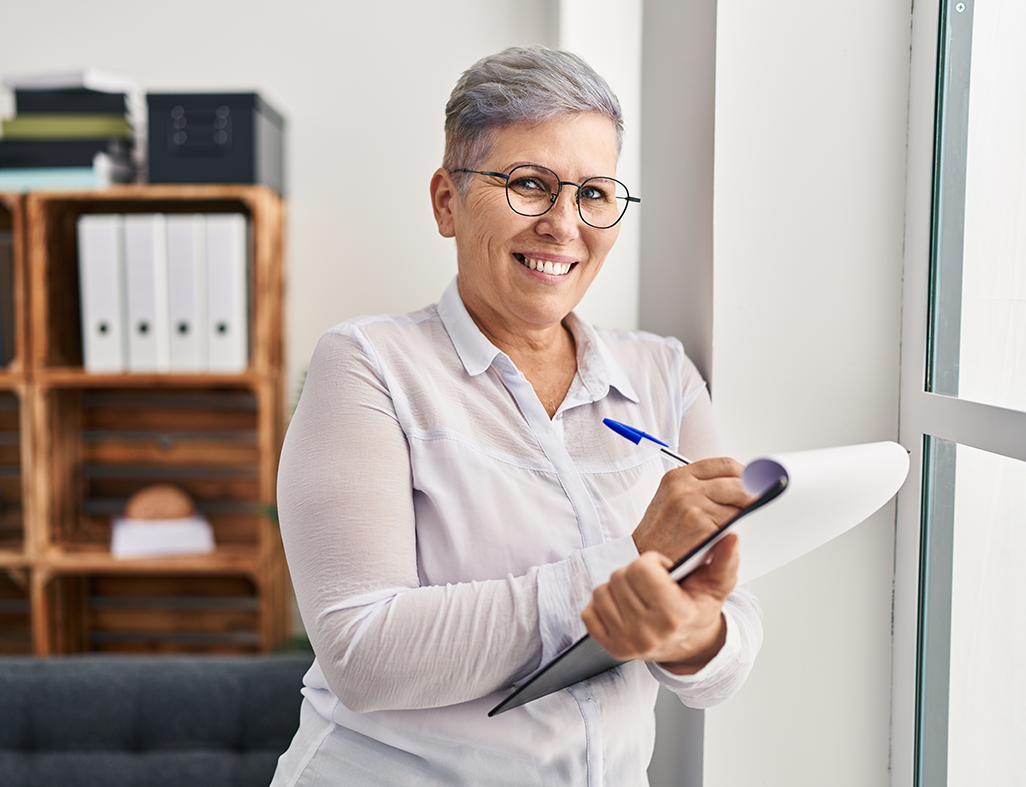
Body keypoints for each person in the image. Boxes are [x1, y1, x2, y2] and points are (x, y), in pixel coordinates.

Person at [271, 46, 762, 787]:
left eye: (593, 194)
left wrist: (689, 632)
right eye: (529, 185)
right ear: (446, 200)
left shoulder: (663, 374)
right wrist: (617, 577)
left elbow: (728, 634)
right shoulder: (365, 365)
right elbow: (362, 653)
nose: (563, 225)